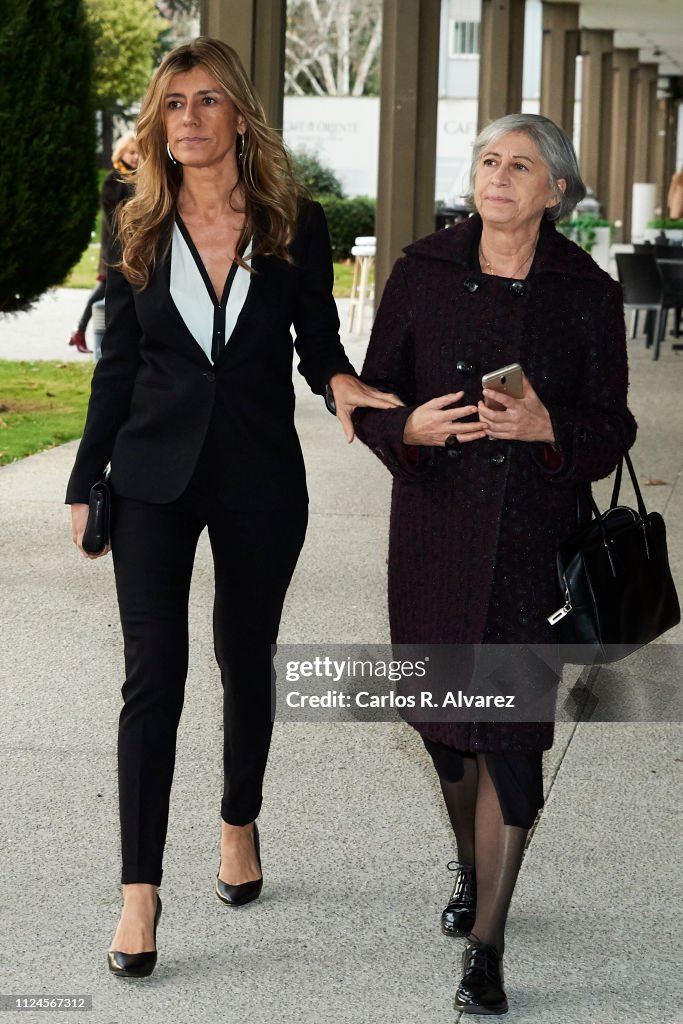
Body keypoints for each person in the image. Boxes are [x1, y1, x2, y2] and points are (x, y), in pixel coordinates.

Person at [66, 36, 400, 979]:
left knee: (243, 660)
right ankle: (139, 894)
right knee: (153, 678)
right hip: (150, 479)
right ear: (157, 124)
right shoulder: (131, 214)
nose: (190, 120)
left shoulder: (295, 220)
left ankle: (239, 822)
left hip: (258, 476)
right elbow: (118, 362)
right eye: (174, 105)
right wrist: (86, 481)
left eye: (208, 101)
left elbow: (317, 343)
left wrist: (342, 383)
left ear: (240, 115)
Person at [353, 113, 636, 1015]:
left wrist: (551, 427)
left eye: (520, 166)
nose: (499, 177)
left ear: (555, 190)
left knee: (510, 736)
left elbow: (612, 425)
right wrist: (407, 428)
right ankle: (474, 873)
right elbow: (370, 393)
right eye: (487, 161)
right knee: (444, 724)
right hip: (433, 533)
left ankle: (488, 944)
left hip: (530, 546)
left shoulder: (584, 293)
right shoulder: (421, 269)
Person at [68, 134, 139, 354]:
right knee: (103, 291)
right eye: (131, 152)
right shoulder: (114, 179)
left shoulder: (139, 178)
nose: (136, 157)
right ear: (121, 154)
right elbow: (111, 218)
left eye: (139, 153)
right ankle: (79, 330)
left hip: (133, 248)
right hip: (115, 249)